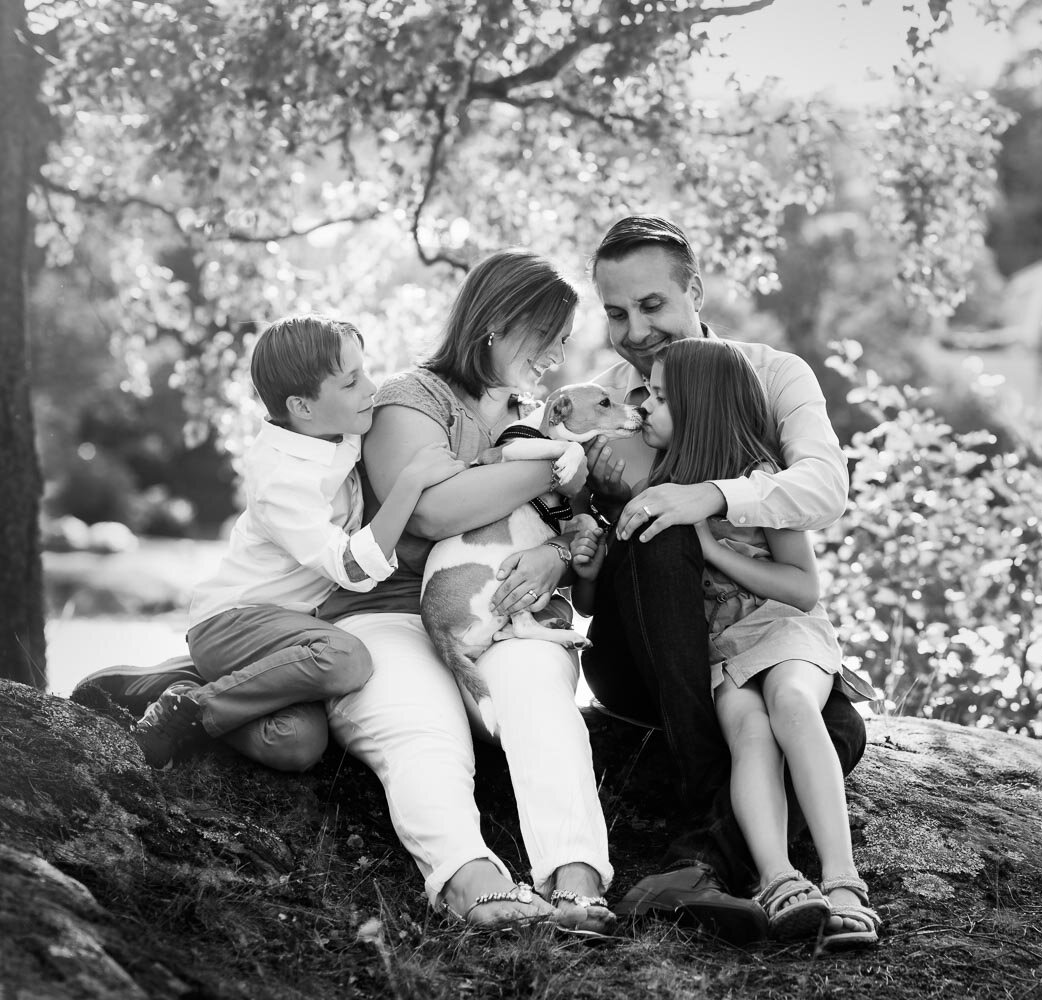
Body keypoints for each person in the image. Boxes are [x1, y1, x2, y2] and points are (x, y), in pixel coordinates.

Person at [305, 248, 615, 935]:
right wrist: (563, 465)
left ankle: (576, 880)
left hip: (501, 608)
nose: (559, 356)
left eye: (567, 341)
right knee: (424, 725)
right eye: (551, 336)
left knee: (537, 686)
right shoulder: (407, 399)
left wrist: (560, 552)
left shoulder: (539, 417)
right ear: (499, 323)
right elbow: (433, 512)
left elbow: (574, 528)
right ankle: (469, 883)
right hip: (386, 613)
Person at [579, 216, 867, 944]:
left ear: (695, 290)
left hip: (753, 634)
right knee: (655, 526)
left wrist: (711, 496)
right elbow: (559, 508)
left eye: (651, 305)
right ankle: (720, 835)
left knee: (837, 730)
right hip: (648, 648)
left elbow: (824, 489)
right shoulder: (605, 400)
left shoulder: (770, 375)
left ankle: (716, 863)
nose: (634, 331)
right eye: (616, 312)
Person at [129, 315, 463, 771]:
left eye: (365, 370)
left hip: (290, 639)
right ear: (302, 407)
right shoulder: (282, 479)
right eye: (351, 382)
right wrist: (409, 484)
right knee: (348, 660)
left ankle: (181, 686)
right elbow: (352, 567)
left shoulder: (340, 430)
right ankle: (186, 709)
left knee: (296, 744)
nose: (371, 387)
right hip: (235, 622)